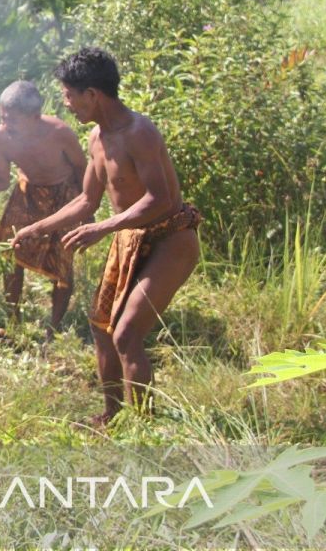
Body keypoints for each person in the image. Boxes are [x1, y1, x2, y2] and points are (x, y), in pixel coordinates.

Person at [13, 49, 200, 425]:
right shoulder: (97, 138)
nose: (67, 105)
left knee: (127, 335)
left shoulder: (139, 133)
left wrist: (106, 227)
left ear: (93, 94)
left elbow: (159, 198)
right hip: (128, 240)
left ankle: (145, 431)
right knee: (102, 329)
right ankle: (112, 416)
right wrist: (38, 228)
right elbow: (86, 200)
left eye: (69, 95)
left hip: (171, 239)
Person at [0, 81, 86, 340]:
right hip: (27, 194)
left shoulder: (59, 132)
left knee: (62, 262)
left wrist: (85, 207)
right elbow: (0, 181)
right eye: (3, 118)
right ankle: (12, 318)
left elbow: (82, 168)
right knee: (12, 252)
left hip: (63, 196)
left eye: (13, 120)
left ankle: (53, 328)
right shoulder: (1, 138)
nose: (6, 125)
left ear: (35, 118)